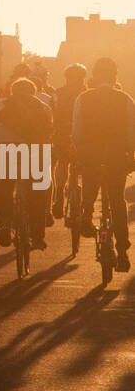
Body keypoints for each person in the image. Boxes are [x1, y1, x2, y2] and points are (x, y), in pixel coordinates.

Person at [72, 57, 135, 271]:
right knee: (117, 200)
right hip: (116, 156)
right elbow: (131, 131)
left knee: (89, 188)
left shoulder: (83, 98)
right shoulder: (125, 99)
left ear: (95, 76)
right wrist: (130, 154)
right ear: (115, 76)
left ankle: (86, 215)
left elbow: (77, 130)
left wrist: (78, 152)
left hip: (91, 155)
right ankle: (123, 250)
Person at [0, 77, 53, 251]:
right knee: (38, 193)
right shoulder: (43, 107)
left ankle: (5, 223)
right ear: (33, 92)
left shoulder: (2, 104)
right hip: (33, 151)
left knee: (3, 187)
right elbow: (48, 131)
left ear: (13, 91)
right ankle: (37, 236)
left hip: (7, 149)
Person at [51, 63, 87, 219]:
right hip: (84, 136)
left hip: (63, 135)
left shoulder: (58, 93)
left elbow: (53, 114)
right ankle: (86, 203)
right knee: (88, 166)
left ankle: (59, 192)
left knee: (62, 163)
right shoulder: (88, 94)